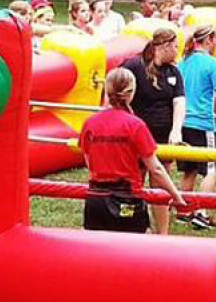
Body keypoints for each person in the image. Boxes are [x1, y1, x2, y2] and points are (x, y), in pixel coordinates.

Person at [79, 68, 186, 233]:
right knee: (136, 251)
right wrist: (177, 196)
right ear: (130, 93)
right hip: (127, 198)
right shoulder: (135, 125)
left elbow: (89, 161)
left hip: (96, 199)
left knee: (98, 253)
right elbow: (156, 169)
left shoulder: (90, 123)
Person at [122, 28, 185, 235]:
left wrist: (176, 131)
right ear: (164, 46)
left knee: (160, 184)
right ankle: (133, 227)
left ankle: (163, 234)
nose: (177, 51)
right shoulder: (133, 66)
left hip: (162, 138)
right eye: (175, 47)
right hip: (136, 137)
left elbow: (179, 102)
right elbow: (117, 91)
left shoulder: (173, 71)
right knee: (134, 183)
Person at [177, 24, 216, 230]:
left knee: (189, 169)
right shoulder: (212, 64)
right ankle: (202, 212)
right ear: (209, 40)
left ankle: (183, 210)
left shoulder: (183, 62)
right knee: (210, 169)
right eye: (215, 41)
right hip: (203, 123)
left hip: (183, 122)